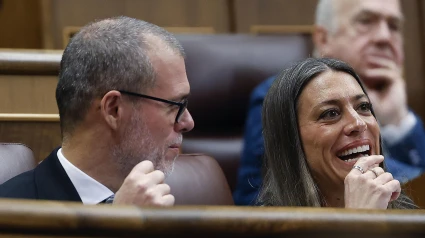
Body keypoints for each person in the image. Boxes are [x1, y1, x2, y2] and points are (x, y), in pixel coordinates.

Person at [234, 0, 425, 205]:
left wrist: (398, 121)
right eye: (365, 22)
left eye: (364, 107)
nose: (384, 37)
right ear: (324, 38)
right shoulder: (279, 96)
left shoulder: (390, 101)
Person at [0, 16, 195, 206]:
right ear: (113, 109)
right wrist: (120, 227)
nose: (188, 122)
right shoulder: (11, 212)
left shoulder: (188, 199)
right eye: (174, 105)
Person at [259, 57, 416, 209]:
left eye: (363, 107)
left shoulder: (411, 220)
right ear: (290, 138)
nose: (359, 123)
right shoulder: (260, 228)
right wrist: (361, 224)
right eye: (331, 113)